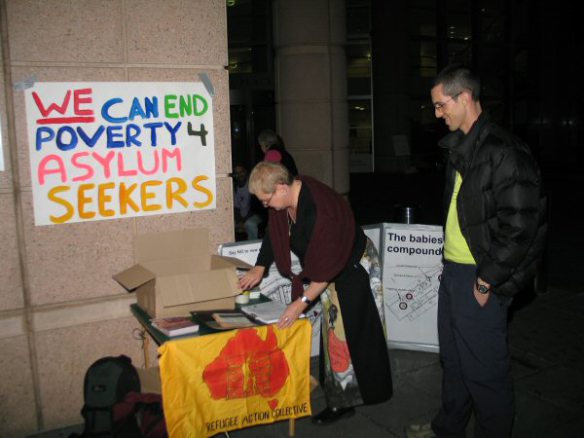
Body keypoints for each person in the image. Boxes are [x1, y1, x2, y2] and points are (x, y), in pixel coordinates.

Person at [407, 65, 547, 438]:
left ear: (464, 97)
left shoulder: (503, 151)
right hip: (454, 273)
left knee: (485, 372)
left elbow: (520, 227)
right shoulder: (462, 148)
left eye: (441, 105)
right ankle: (447, 429)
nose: (437, 114)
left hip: (479, 277)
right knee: (454, 362)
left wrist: (486, 280)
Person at [239, 161, 392, 425]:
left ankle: (347, 401)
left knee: (348, 337)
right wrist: (260, 266)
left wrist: (300, 303)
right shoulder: (288, 199)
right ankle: (344, 397)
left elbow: (323, 274)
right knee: (337, 336)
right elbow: (273, 233)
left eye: (266, 200)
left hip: (354, 269)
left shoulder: (321, 212)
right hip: (332, 269)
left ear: (282, 187)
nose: (265, 206)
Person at [233, 164, 263, 240]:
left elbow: (258, 208)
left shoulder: (253, 185)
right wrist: (239, 221)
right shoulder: (233, 187)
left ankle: (254, 247)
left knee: (250, 224)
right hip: (240, 218)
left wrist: (243, 221)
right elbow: (235, 207)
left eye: (241, 172)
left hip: (255, 216)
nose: (240, 175)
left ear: (246, 172)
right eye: (237, 173)